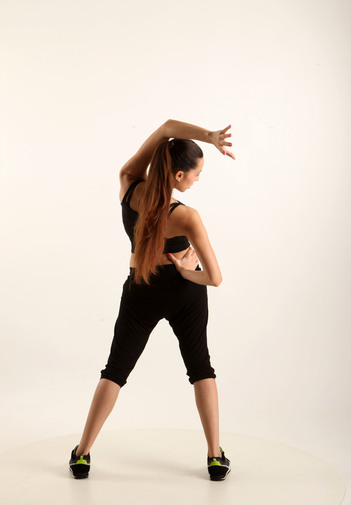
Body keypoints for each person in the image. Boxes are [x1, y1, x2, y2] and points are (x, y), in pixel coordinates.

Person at [69, 119, 235, 481]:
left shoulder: (129, 185)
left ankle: (82, 454)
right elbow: (216, 278)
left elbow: (164, 129)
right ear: (177, 175)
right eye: (196, 173)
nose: (197, 179)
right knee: (201, 369)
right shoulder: (188, 217)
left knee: (114, 372)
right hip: (184, 291)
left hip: (140, 288)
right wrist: (186, 269)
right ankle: (214, 456)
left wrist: (206, 137)